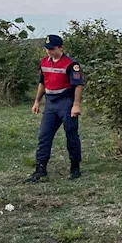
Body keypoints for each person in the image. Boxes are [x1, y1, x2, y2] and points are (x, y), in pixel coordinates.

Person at [25, 35, 85, 182]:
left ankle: (75, 167)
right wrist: (37, 101)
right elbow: (42, 83)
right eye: (46, 49)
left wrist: (76, 105)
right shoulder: (44, 62)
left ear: (60, 48)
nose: (48, 52)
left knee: (71, 134)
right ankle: (40, 168)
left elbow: (78, 85)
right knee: (44, 136)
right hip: (50, 103)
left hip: (66, 102)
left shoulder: (71, 64)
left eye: (51, 49)